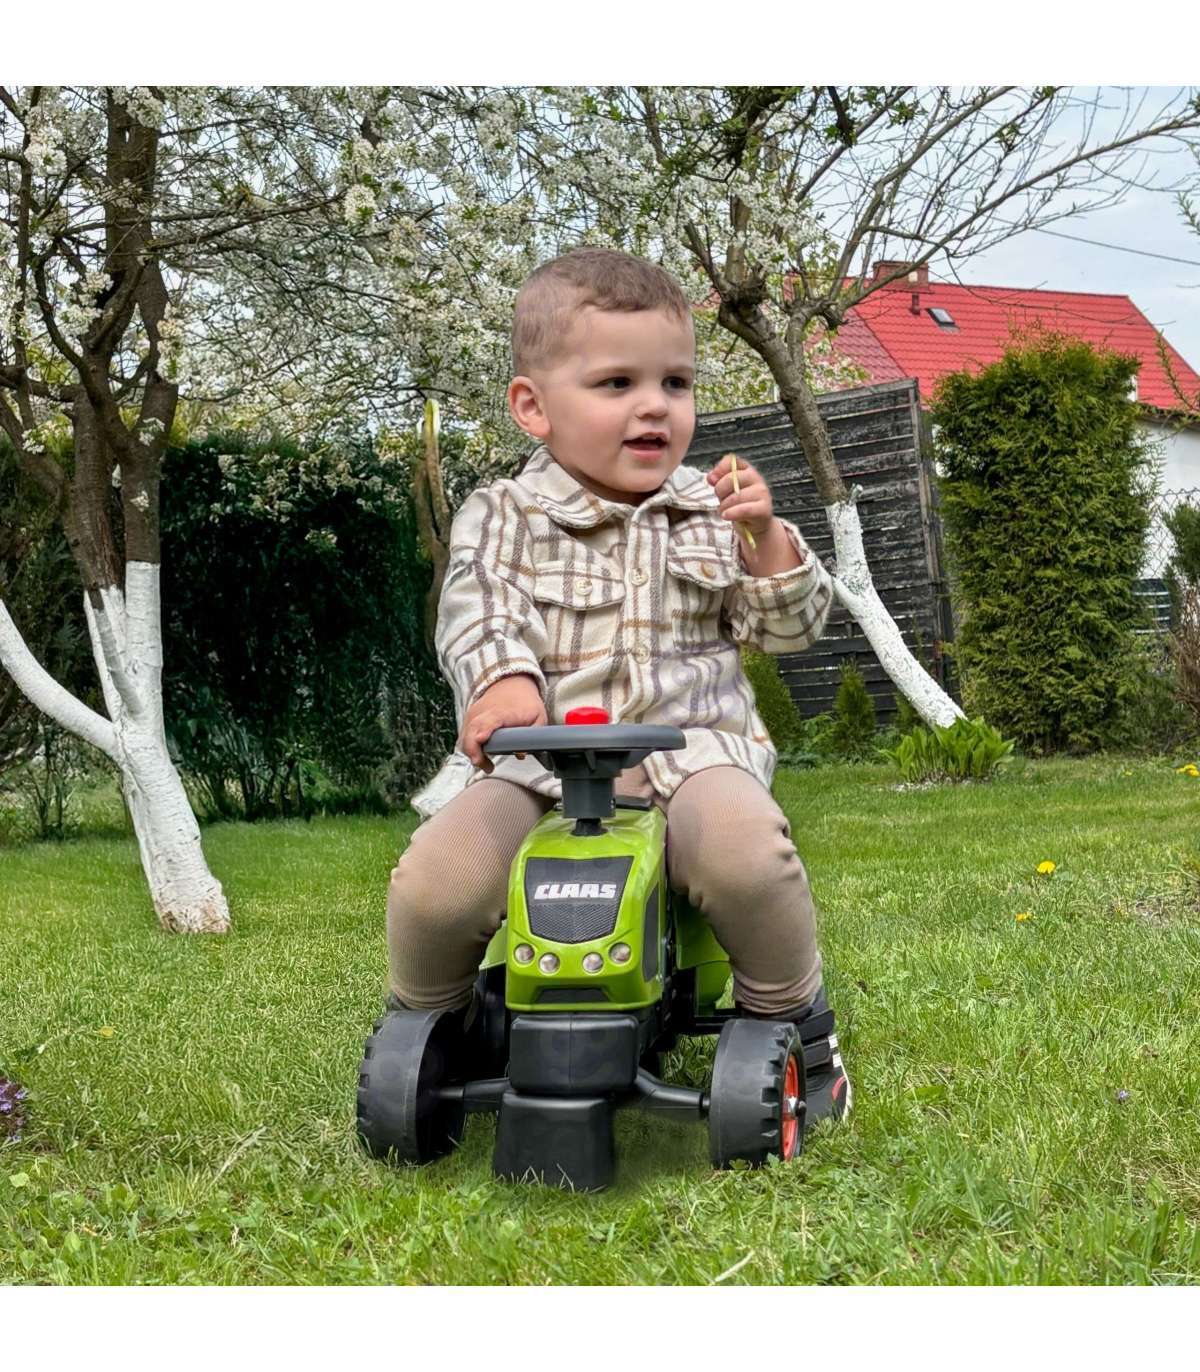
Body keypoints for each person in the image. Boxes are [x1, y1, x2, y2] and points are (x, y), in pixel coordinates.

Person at [388, 246, 850, 1121]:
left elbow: (790, 631)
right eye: (616, 384)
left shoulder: (710, 510)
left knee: (751, 859)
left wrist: (767, 545)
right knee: (436, 883)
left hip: (692, 760)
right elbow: (477, 607)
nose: (654, 406)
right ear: (534, 406)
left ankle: (795, 1023)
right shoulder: (506, 514)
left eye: (676, 383)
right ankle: (435, 1029)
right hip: (537, 767)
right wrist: (502, 683)